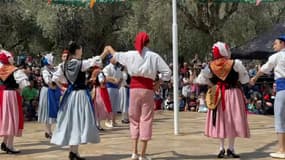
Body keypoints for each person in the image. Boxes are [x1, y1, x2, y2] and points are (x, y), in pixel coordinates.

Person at [105, 32, 171, 160]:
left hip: (134, 89)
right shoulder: (154, 56)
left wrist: (109, 48)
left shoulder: (130, 55)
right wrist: (159, 82)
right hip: (147, 89)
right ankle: (143, 154)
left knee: (134, 119)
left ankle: (134, 152)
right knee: (146, 119)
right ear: (148, 42)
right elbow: (167, 72)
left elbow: (116, 55)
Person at [51, 41, 107, 160]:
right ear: (76, 51)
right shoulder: (79, 63)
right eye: (81, 49)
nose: (82, 51)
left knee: (72, 123)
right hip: (80, 96)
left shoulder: (63, 65)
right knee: (77, 122)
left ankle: (73, 152)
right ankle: (74, 152)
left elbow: (54, 78)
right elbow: (94, 61)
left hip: (69, 96)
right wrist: (105, 52)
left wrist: (62, 87)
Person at [196, 42, 250, 159]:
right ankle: (231, 148)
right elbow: (245, 79)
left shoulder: (210, 66)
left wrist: (213, 85)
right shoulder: (235, 63)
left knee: (220, 120)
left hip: (218, 94)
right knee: (233, 120)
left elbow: (200, 80)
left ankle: (221, 148)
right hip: (233, 94)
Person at [250, 35, 285, 159]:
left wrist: (254, 78)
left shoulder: (276, 56)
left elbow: (264, 69)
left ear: (282, 44)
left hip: (282, 89)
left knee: (280, 118)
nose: (274, 46)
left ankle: (282, 149)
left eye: (276, 43)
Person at [0, 50, 30, 154]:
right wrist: (21, 89)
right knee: (12, 119)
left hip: (4, 94)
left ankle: (5, 143)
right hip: (12, 95)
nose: (13, 58)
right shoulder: (14, 70)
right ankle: (10, 145)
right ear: (7, 59)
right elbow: (24, 84)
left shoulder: (1, 69)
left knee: (7, 118)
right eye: (11, 57)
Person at [37, 53, 60, 139]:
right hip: (47, 91)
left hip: (53, 90)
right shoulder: (45, 70)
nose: (54, 61)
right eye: (52, 60)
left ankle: (49, 131)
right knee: (48, 110)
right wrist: (53, 87)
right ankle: (48, 131)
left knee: (53, 109)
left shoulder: (54, 69)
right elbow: (48, 81)